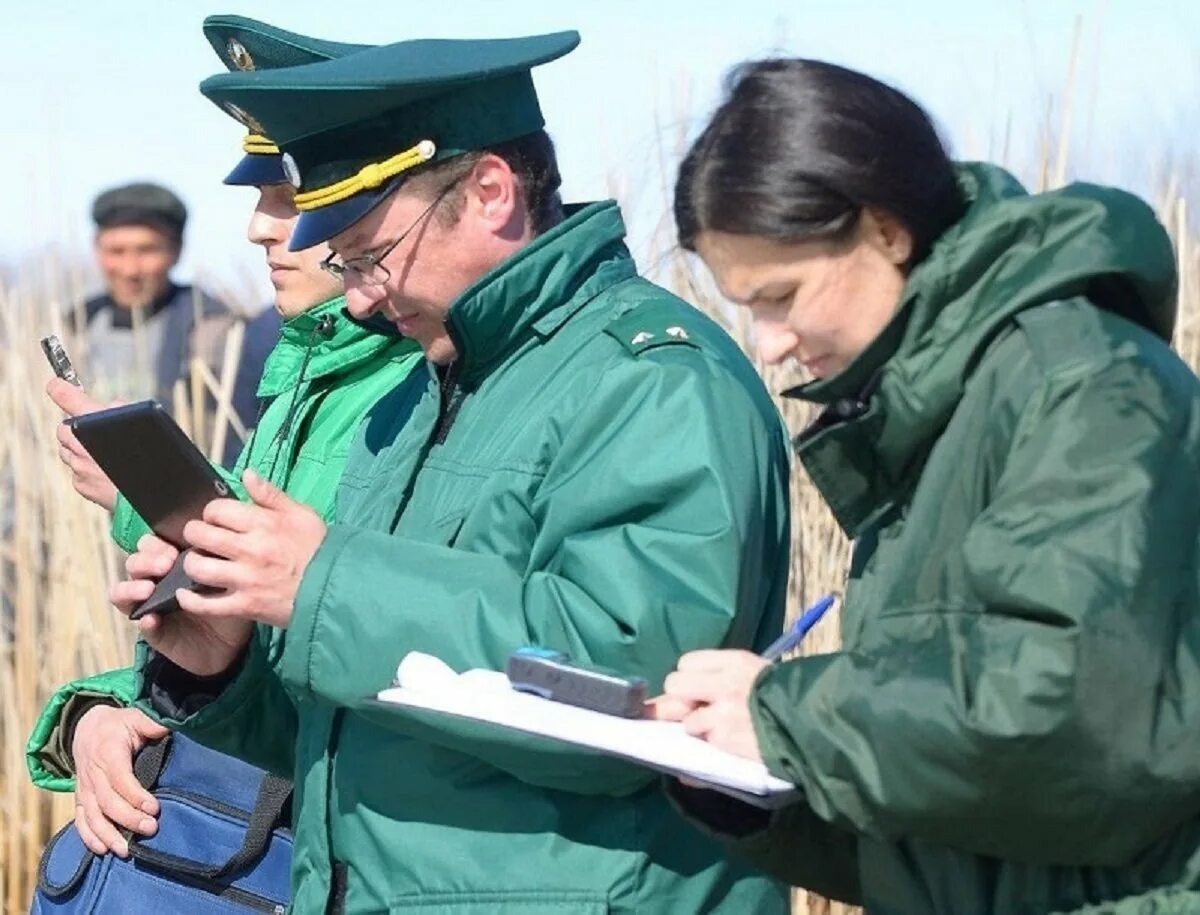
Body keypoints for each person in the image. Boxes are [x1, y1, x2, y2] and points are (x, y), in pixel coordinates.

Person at [110, 30, 794, 914]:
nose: (358, 295)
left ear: (489, 192)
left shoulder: (652, 382)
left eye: (370, 254)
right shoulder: (418, 394)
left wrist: (321, 584)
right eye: (346, 264)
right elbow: (377, 724)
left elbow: (634, 691)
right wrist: (222, 668)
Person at [653, 58, 1200, 914]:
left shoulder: (1083, 385)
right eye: (744, 309)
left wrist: (787, 716)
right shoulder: (929, 419)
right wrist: (739, 779)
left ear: (885, 231)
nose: (769, 345)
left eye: (782, 296)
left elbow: (1084, 719)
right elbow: (958, 815)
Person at [26, 15, 423, 865]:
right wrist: (103, 709)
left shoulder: (397, 379)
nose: (257, 230)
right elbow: (239, 647)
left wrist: (148, 503)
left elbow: (317, 654)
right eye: (257, 201)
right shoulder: (305, 361)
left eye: (287, 202)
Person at [81, 180, 253, 462]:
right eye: (116, 251)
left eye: (147, 250)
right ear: (97, 250)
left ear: (176, 251)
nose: (130, 269)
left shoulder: (215, 330)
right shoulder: (75, 326)